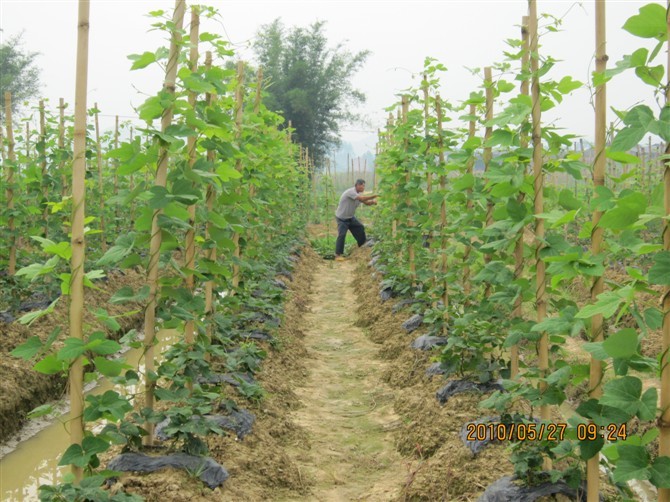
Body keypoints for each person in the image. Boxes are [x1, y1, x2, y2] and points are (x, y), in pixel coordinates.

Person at [334, 179, 378, 261]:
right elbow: (362, 199)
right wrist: (374, 195)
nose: (363, 187)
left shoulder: (359, 194)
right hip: (342, 218)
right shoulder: (351, 192)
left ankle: (362, 246)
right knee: (342, 234)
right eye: (362, 185)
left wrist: (374, 202)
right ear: (357, 185)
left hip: (350, 217)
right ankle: (337, 254)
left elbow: (367, 202)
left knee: (360, 227)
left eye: (364, 185)